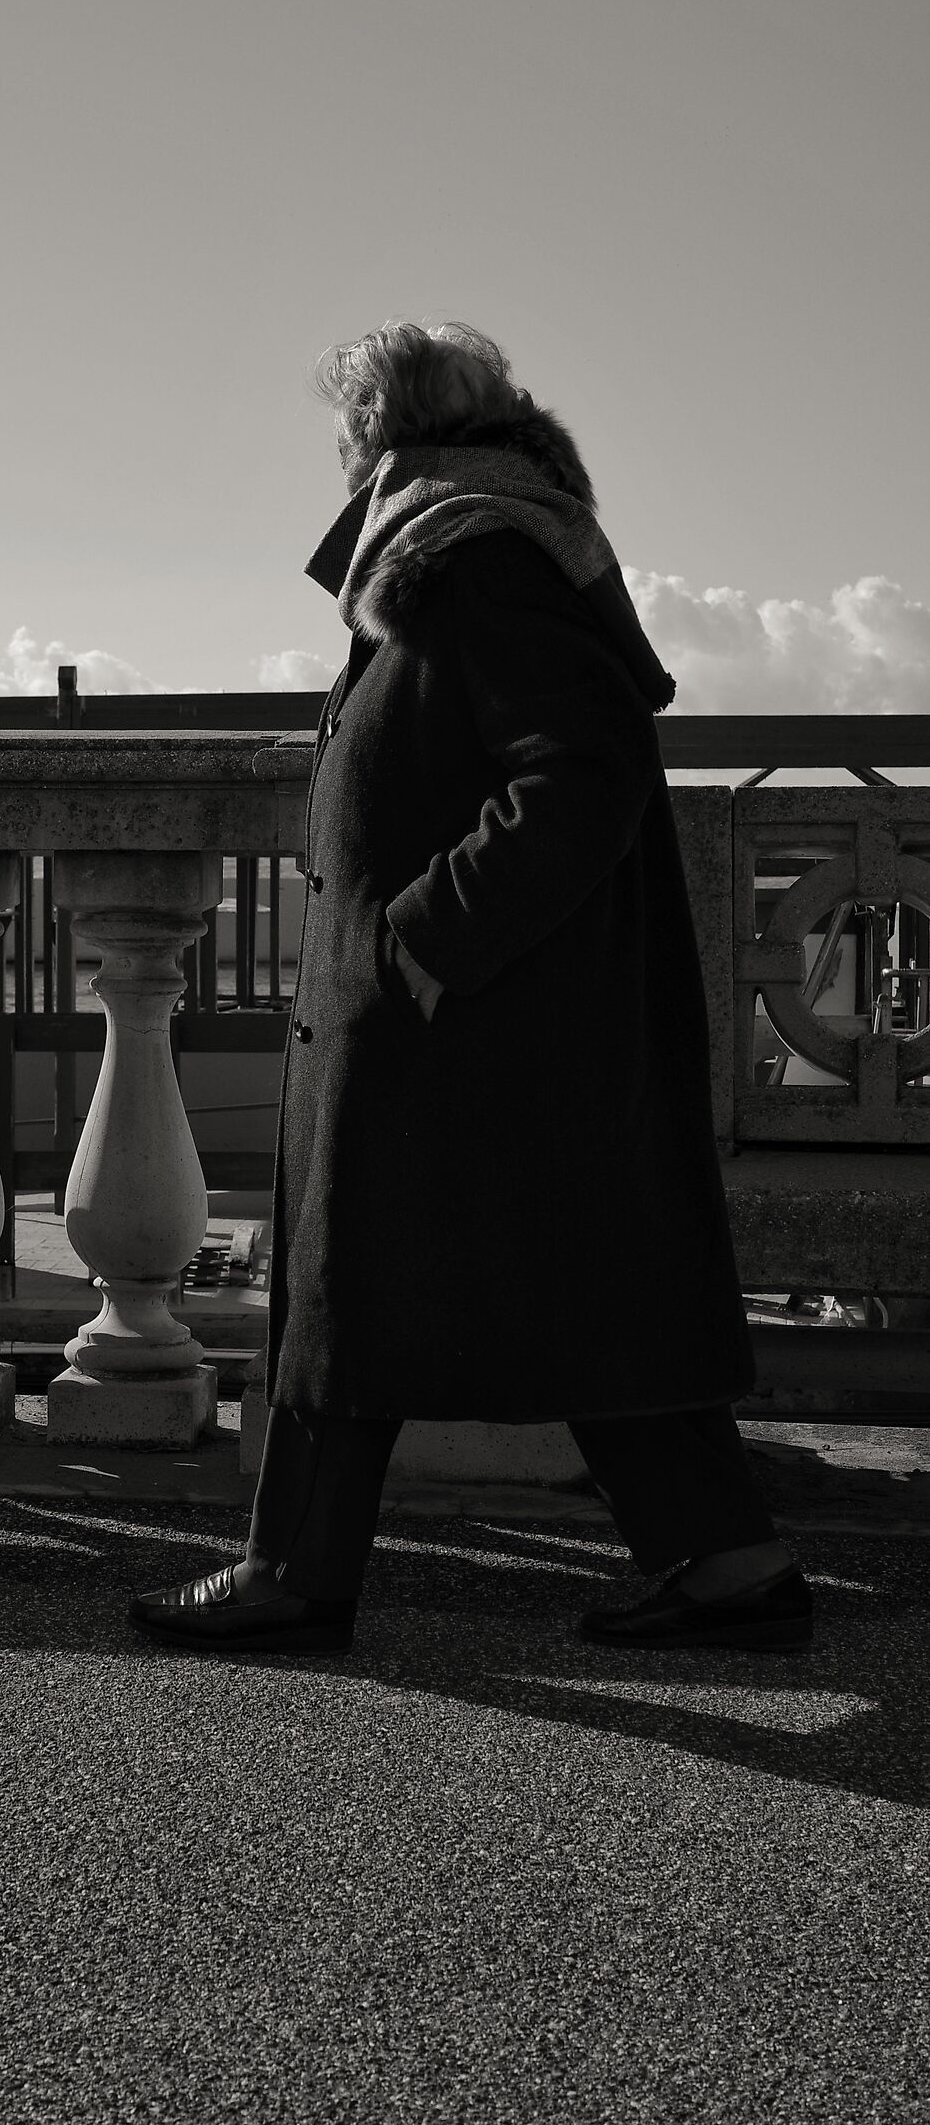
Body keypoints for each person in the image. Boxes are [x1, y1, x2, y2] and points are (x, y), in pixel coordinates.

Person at [132, 320, 811, 1657]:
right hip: (501, 1020)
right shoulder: (476, 547)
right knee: (582, 1290)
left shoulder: (474, 556)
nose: (336, 451)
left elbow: (583, 770)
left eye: (346, 426)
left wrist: (421, 943)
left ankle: (295, 1572)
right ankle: (729, 1562)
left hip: (462, 1016)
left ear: (385, 433)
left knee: (350, 1291)